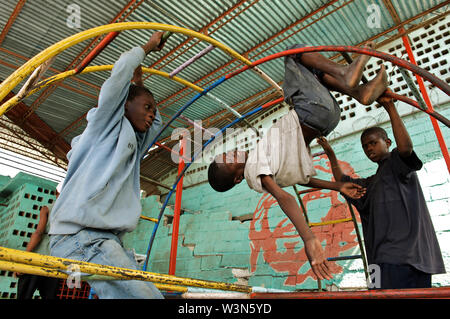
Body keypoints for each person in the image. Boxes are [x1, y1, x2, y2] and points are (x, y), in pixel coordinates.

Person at [208, 42, 388, 281]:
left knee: (313, 72)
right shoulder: (256, 170)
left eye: (227, 153)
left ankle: (359, 92)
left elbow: (303, 179)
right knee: (294, 54)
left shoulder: (268, 163)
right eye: (230, 160)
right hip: (311, 112)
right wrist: (309, 238)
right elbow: (284, 198)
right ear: (238, 177)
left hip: (325, 117)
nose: (233, 153)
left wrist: (337, 186)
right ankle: (347, 77)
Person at [48, 32, 167, 299]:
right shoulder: (104, 125)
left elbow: (157, 124)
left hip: (101, 240)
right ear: (123, 104)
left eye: (153, 109)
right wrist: (148, 46)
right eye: (147, 107)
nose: (151, 114)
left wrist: (139, 81)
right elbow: (121, 71)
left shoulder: (133, 147)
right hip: (80, 237)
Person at [317, 91, 446, 289]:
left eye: (373, 143)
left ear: (387, 143)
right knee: (377, 293)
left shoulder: (397, 164)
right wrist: (331, 154)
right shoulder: (370, 184)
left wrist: (390, 107)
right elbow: (341, 181)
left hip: (407, 257)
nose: (369, 148)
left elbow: (406, 149)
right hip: (378, 259)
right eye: (365, 146)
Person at [15, 183, 62, 299]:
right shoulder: (74, 213)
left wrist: (24, 258)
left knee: (24, 294)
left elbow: (38, 233)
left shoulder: (47, 208)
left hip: (37, 259)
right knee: (49, 296)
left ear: (56, 194)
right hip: (56, 261)